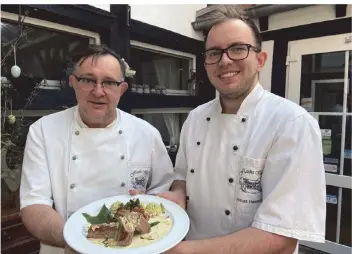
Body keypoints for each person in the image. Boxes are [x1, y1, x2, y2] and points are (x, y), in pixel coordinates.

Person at [167, 5, 326, 254]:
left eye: (238, 49)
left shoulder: (291, 123)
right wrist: (177, 195)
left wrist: (178, 251)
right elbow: (182, 177)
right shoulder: (195, 118)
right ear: (206, 63)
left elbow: (281, 236)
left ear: (260, 59)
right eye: (214, 53)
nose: (225, 60)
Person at [19, 44, 182, 254]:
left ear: (121, 89)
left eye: (109, 82)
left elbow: (164, 192)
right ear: (73, 83)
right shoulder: (43, 130)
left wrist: (146, 203)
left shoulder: (147, 134)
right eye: (88, 80)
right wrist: (74, 242)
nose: (98, 91)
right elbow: (34, 204)